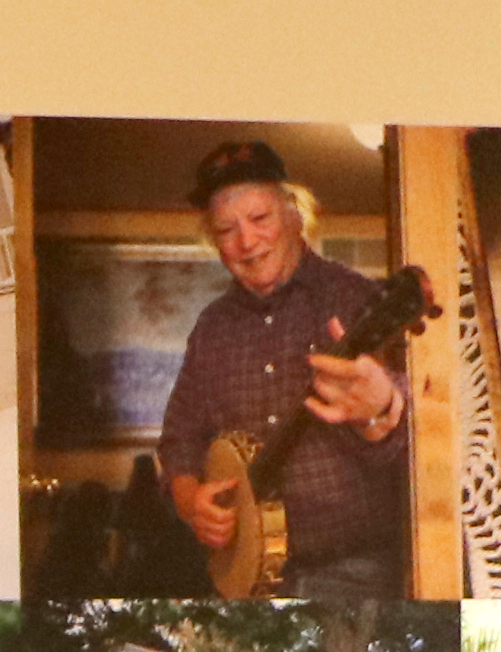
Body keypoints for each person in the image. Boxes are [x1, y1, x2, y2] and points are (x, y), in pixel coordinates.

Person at [157, 140, 410, 598]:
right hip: (242, 576)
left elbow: (426, 432)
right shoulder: (210, 328)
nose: (247, 242)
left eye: (260, 219)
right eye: (226, 230)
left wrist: (383, 406)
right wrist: (192, 502)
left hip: (358, 575)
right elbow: (179, 439)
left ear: (295, 214)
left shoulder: (357, 299)